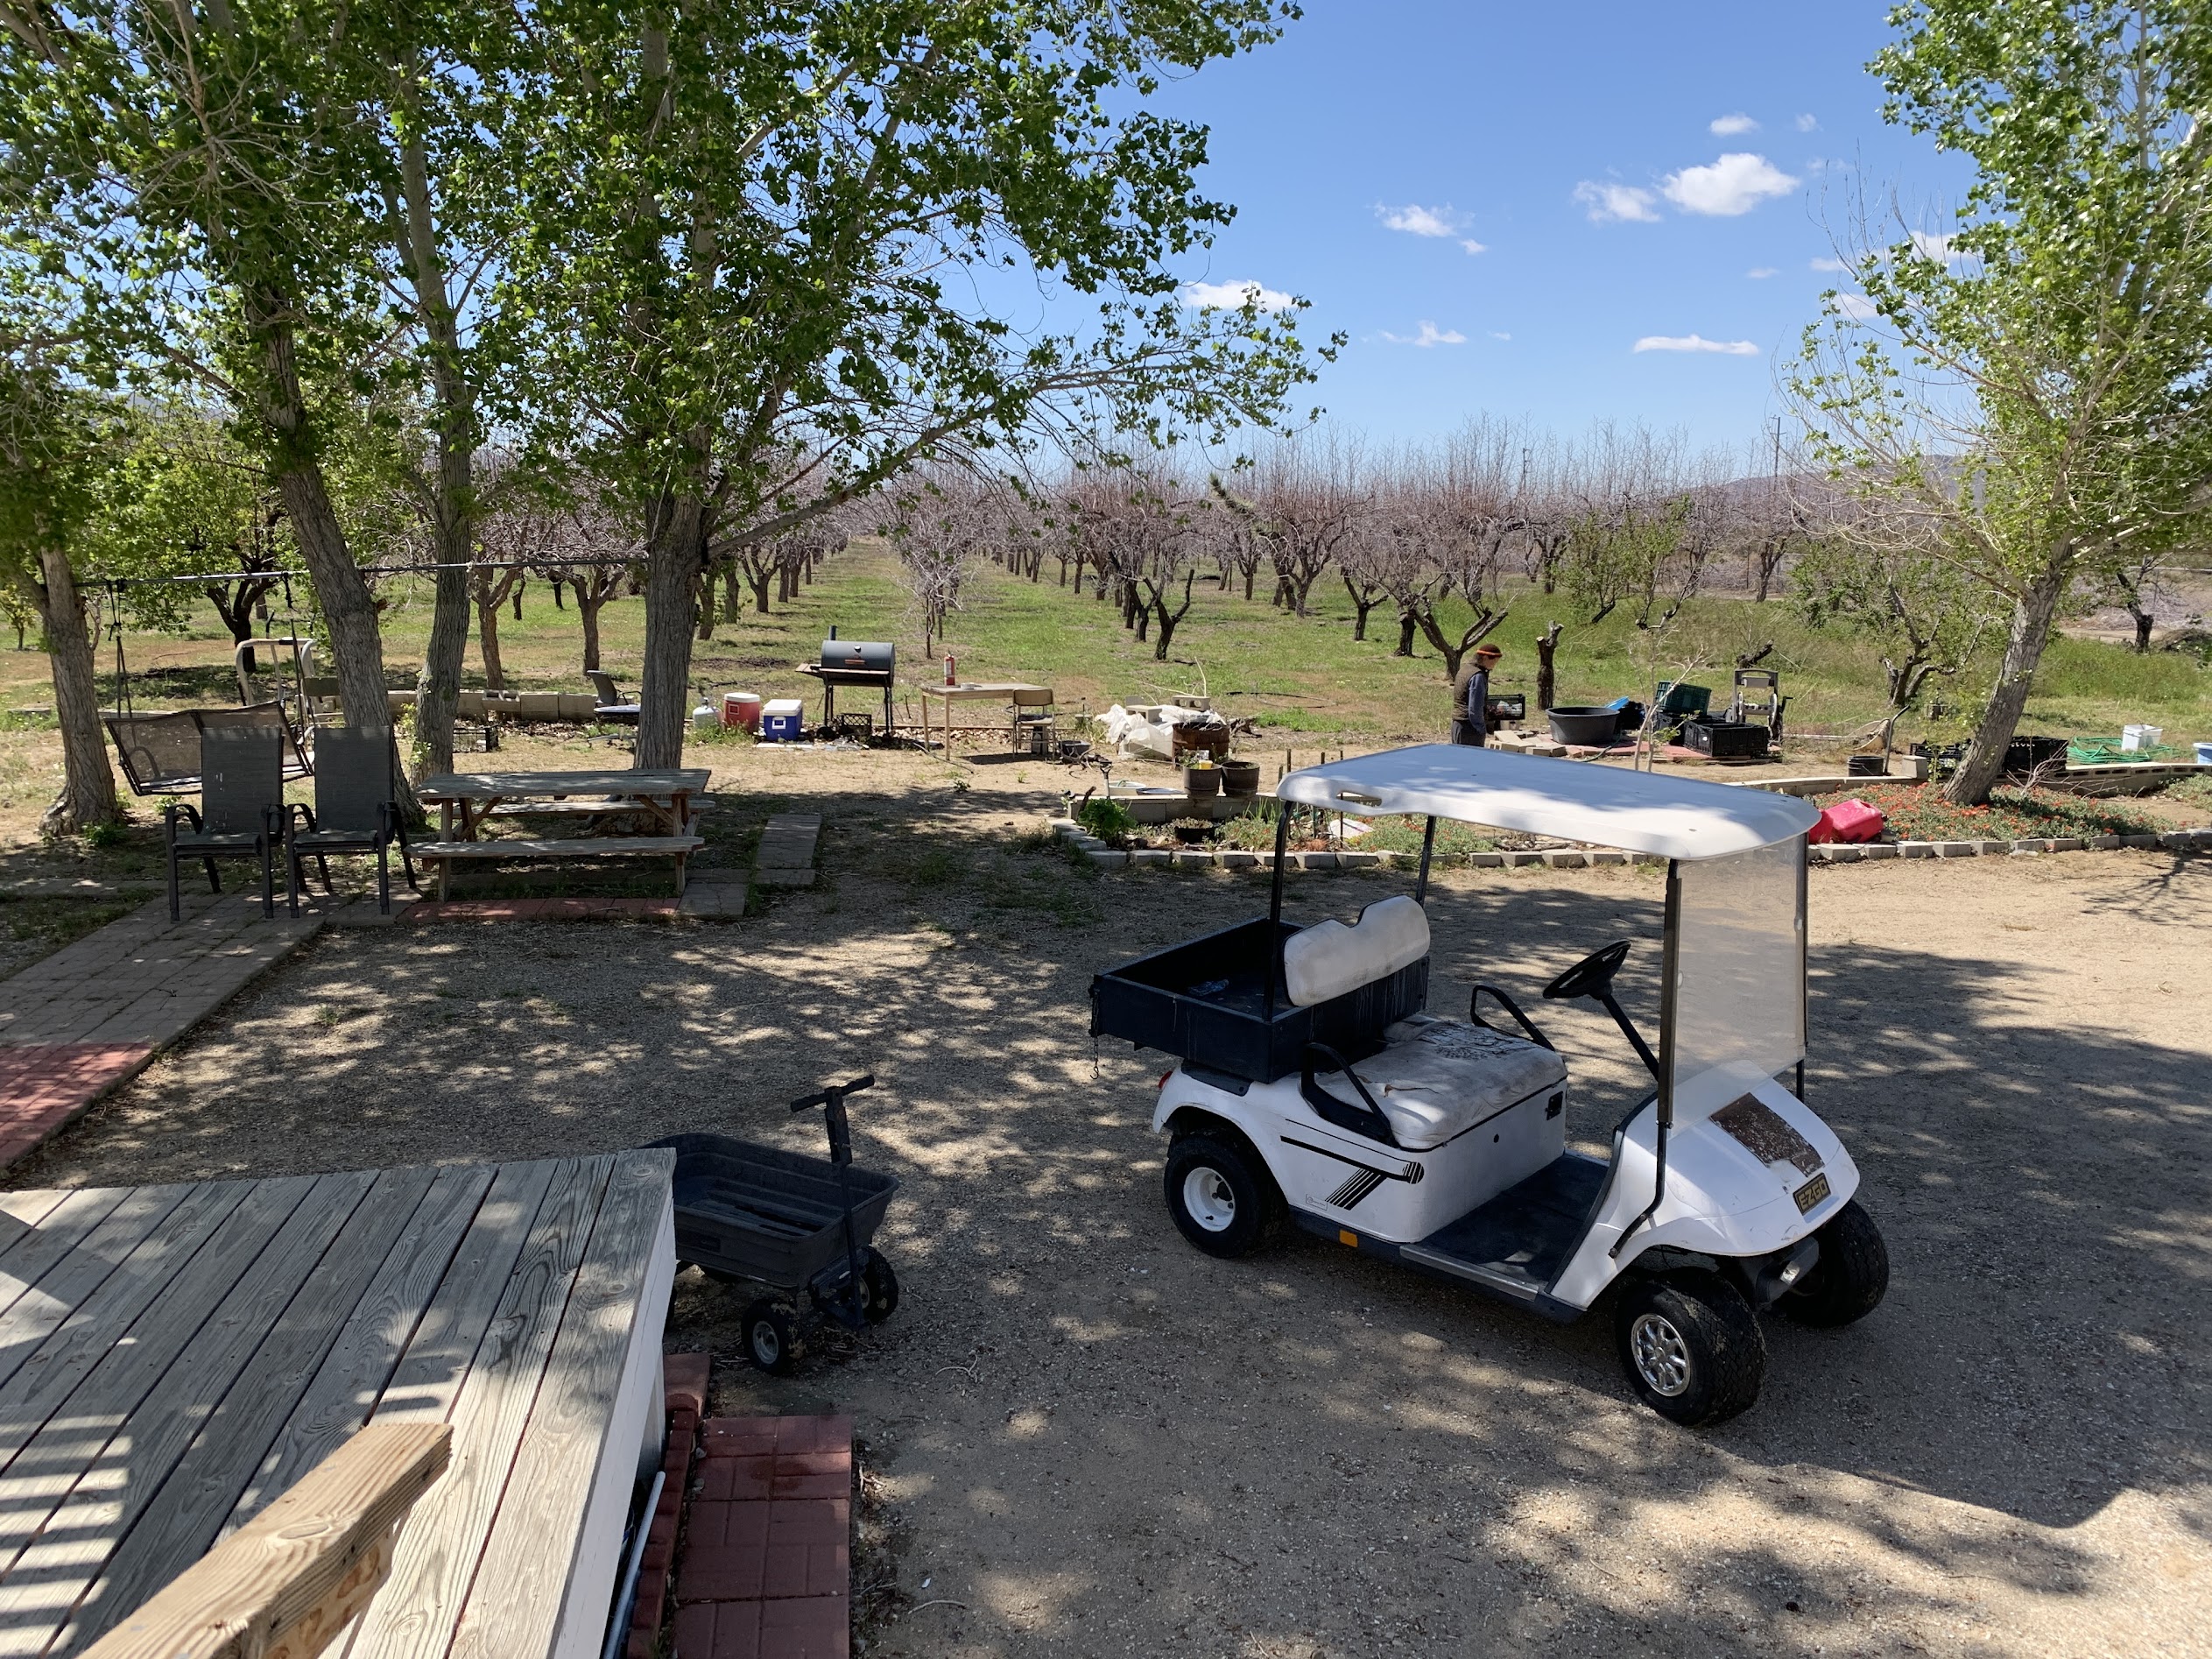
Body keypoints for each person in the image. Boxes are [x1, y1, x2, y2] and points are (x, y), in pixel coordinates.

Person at [1452, 643, 1504, 746]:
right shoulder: (1478, 676)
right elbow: (1475, 708)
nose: (1494, 666)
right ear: (1485, 658)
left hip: (1457, 723)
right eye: (1494, 662)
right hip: (1470, 727)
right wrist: (1481, 728)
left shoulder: (1464, 669)